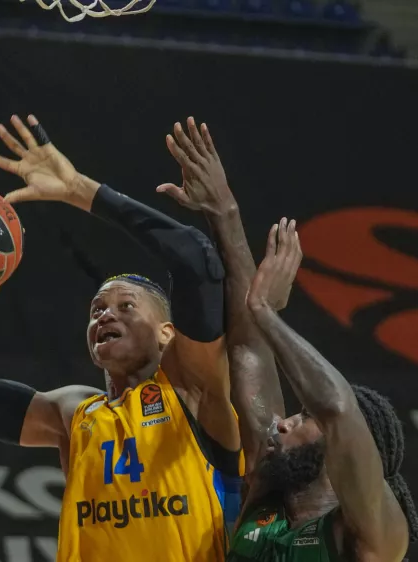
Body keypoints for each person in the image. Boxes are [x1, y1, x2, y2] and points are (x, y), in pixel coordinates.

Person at [0, 115, 242, 562]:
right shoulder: (74, 413)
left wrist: (79, 191)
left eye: (126, 306)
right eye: (97, 310)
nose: (105, 314)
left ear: (168, 333)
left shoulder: (193, 390)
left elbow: (194, 257)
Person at [160, 118, 418, 561]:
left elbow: (337, 409)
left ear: (350, 451)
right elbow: (247, 353)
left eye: (300, 419)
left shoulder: (375, 535)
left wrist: (268, 315)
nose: (281, 423)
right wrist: (225, 213)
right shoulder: (268, 494)